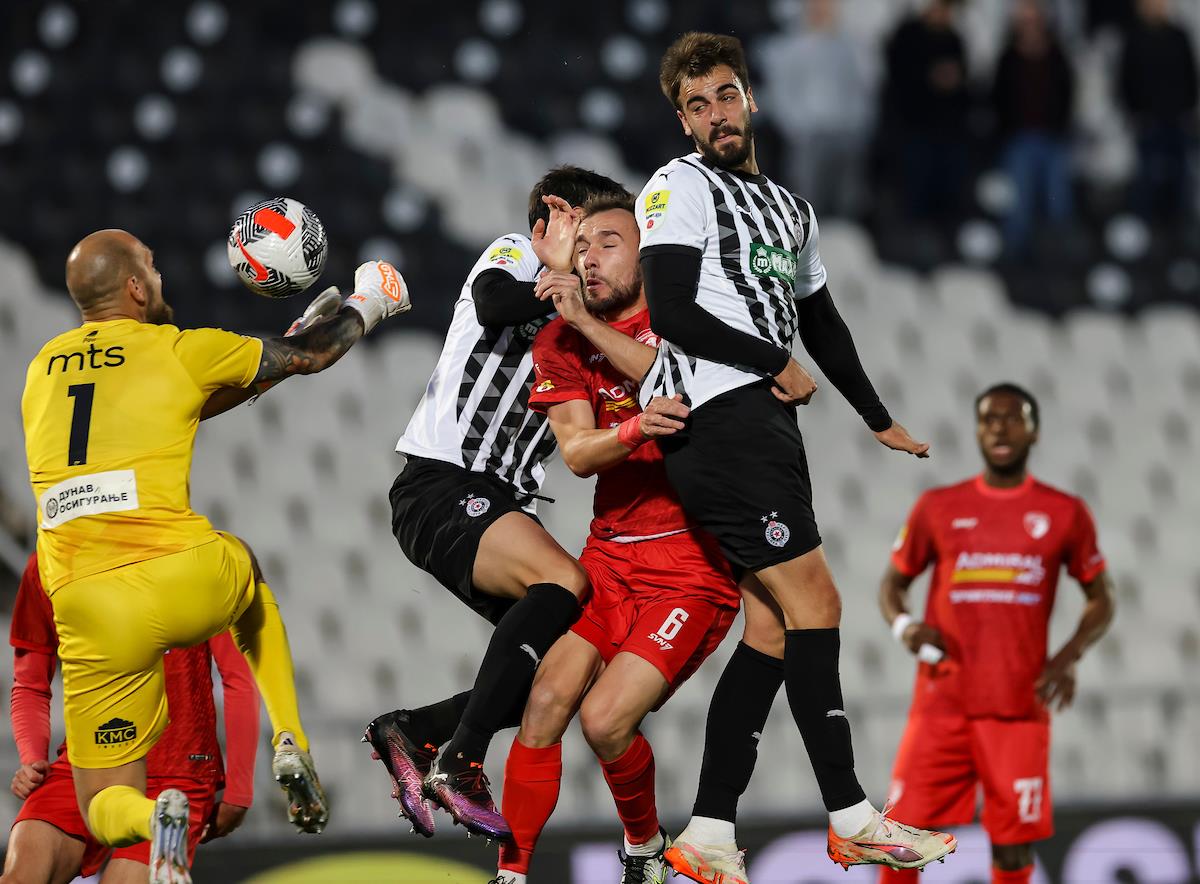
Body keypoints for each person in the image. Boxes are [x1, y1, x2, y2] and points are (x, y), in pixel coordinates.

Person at [634, 32, 954, 876]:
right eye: (697, 105)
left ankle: (707, 832)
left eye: (726, 96)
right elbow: (669, 308)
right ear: (683, 119)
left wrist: (876, 415)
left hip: (765, 423)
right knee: (819, 601)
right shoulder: (678, 186)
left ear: (751, 99)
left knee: (773, 625)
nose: (715, 115)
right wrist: (773, 362)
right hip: (719, 414)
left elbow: (823, 320)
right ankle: (852, 814)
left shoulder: (788, 208)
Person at [21, 228, 408, 882]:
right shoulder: (177, 347)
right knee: (248, 579)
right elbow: (311, 356)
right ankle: (293, 739)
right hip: (176, 574)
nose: (161, 279)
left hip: (87, 609)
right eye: (152, 266)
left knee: (102, 807)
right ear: (137, 287)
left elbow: (175, 409)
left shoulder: (42, 369)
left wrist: (265, 369)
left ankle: (155, 817)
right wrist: (371, 301)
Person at [364, 168, 637, 842]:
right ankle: (461, 760)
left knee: (573, 663)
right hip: (445, 482)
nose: (603, 249)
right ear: (556, 217)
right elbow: (492, 302)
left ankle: (420, 731)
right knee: (564, 581)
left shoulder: (588, 312)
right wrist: (562, 285)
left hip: (498, 497)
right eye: (595, 231)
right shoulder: (516, 254)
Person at [490, 196, 741, 884]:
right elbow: (576, 451)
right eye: (585, 246)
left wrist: (587, 331)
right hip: (610, 557)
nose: (591, 256)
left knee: (603, 723)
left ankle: (643, 846)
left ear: (647, 253)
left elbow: (676, 385)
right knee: (543, 703)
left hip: (693, 567)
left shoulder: (684, 318)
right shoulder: (558, 342)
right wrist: (632, 429)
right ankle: (513, 875)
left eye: (610, 242)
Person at [878, 384, 1115, 884]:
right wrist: (906, 627)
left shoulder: (1064, 512)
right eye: (989, 419)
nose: (1000, 428)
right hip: (941, 705)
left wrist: (1068, 656)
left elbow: (1103, 598)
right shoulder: (938, 507)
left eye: (1013, 418)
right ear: (977, 430)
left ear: (1034, 431)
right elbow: (892, 585)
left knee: (1011, 849)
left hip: (1017, 709)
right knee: (899, 840)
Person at [5, 552, 259, 883]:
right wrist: (32, 758)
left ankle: (165, 823)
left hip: (176, 773)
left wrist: (239, 791)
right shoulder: (49, 560)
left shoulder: (195, 552)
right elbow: (30, 682)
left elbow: (238, 678)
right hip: (86, 765)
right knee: (21, 877)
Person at [756, 0, 873, 218]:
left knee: (847, 198)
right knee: (808, 197)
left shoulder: (851, 47)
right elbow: (781, 94)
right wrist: (798, 128)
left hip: (846, 132)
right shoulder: (787, 49)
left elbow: (861, 89)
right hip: (807, 135)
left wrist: (858, 127)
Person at [992, 0, 1076, 258]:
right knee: (1019, 206)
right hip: (1019, 139)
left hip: (1052, 138)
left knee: (1058, 203)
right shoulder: (1007, 57)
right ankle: (1015, 259)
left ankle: (1059, 258)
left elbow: (1067, 93)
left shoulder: (1057, 55)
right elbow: (998, 97)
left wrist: (1060, 126)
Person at [883, 0, 971, 223]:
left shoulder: (954, 39)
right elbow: (897, 79)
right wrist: (931, 77)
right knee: (915, 188)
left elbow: (963, 82)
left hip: (948, 130)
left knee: (949, 188)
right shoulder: (906, 36)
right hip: (914, 127)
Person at [1118, 0, 1199, 221]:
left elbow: (1189, 75)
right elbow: (1125, 79)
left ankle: (1181, 228)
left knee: (1181, 176)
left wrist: (1189, 109)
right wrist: (1134, 111)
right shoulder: (1133, 37)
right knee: (1146, 177)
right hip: (1147, 119)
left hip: (1177, 117)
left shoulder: (1178, 35)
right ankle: (1145, 228)